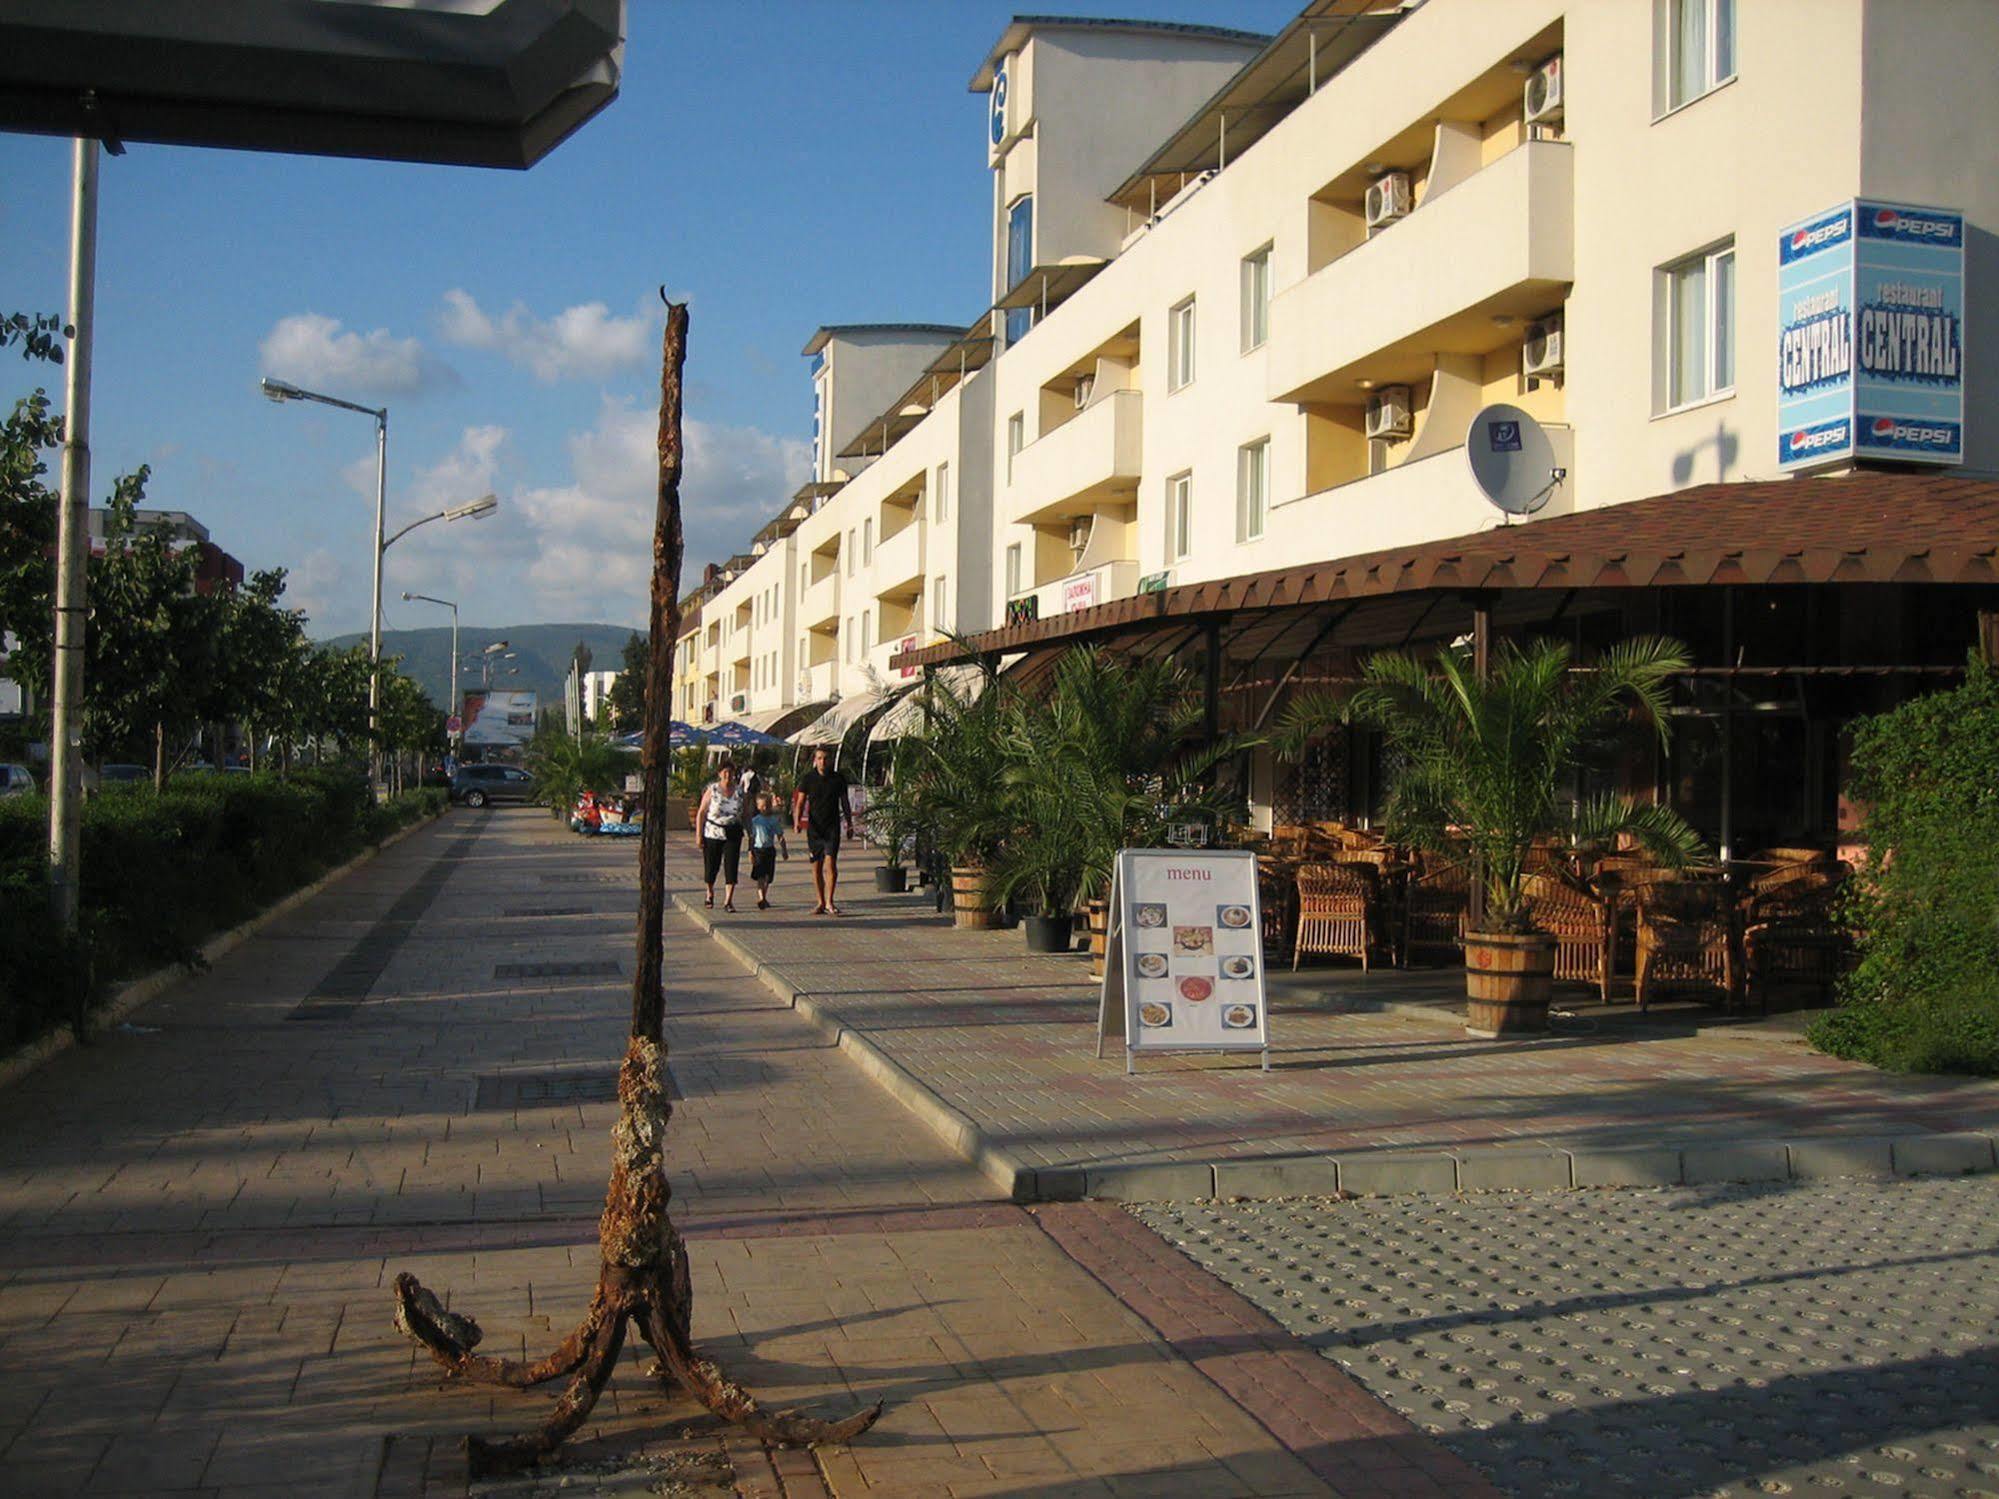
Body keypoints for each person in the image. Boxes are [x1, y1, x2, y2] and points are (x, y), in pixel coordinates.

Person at [792, 744, 855, 916]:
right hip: (814, 829)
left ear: (831, 761)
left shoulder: (838, 779)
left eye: (826, 759)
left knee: (831, 864)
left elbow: (845, 802)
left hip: (832, 828)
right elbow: (800, 802)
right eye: (819, 758)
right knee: (816, 867)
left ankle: (830, 901)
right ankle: (820, 901)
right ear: (815, 760)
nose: (822, 762)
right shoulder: (808, 778)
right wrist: (797, 821)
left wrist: (849, 824)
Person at [695, 760, 747, 912]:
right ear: (719, 773)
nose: (727, 775)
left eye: (730, 772)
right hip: (713, 832)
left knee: (731, 866)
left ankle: (728, 900)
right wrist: (699, 834)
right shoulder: (713, 790)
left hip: (733, 832)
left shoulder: (739, 791)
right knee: (712, 865)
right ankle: (709, 893)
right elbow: (701, 812)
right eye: (724, 771)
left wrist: (751, 833)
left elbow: (746, 814)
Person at [747, 791, 789, 910]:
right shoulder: (755, 821)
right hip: (758, 850)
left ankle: (764, 896)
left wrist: (784, 850)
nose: (765, 808)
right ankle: (761, 898)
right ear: (758, 806)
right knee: (760, 875)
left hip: (769, 850)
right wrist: (750, 852)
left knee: (768, 877)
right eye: (763, 805)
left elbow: (780, 836)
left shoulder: (773, 820)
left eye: (767, 805)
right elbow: (751, 837)